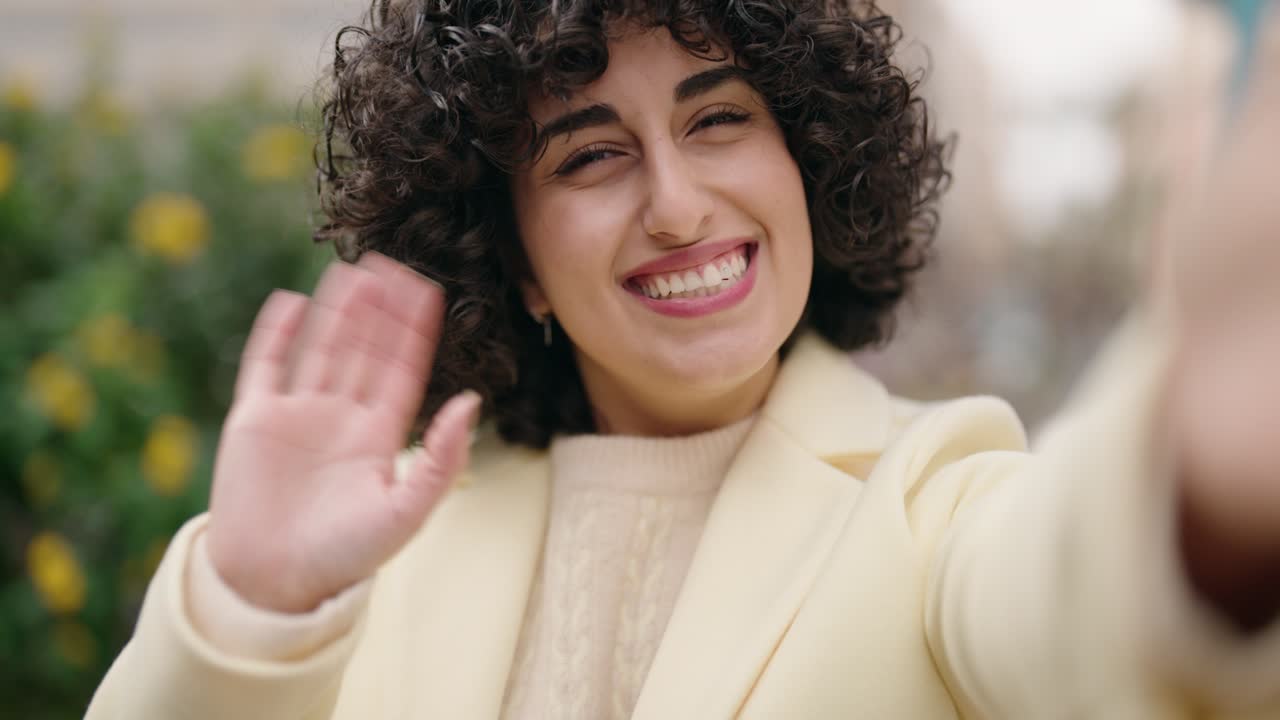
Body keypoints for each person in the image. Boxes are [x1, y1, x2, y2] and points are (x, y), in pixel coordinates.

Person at [87, 1, 1280, 717]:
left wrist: (1196, 484)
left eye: (718, 119)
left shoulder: (934, 498)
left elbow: (1072, 613)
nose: (675, 204)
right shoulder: (384, 550)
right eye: (589, 155)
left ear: (810, 159)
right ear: (512, 258)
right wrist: (255, 603)